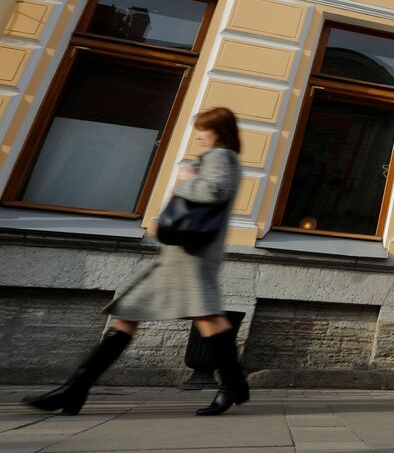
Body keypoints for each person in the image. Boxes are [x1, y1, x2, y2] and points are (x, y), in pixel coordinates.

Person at [24, 108, 248, 417]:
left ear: (219, 131)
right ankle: (76, 387)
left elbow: (215, 190)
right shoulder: (219, 157)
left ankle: (233, 384)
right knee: (132, 314)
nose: (198, 134)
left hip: (191, 258)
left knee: (207, 318)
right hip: (180, 258)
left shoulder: (220, 157)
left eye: (203, 129)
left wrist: (186, 179)